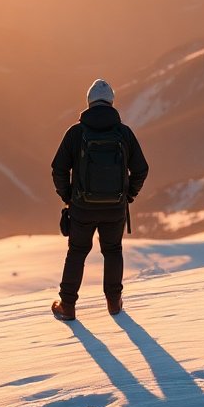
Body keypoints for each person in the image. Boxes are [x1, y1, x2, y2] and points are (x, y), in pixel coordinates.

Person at [50, 79, 149, 321]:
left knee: (77, 252)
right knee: (113, 251)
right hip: (115, 207)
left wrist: (69, 197)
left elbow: (58, 169)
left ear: (88, 102)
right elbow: (141, 169)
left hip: (82, 207)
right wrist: (128, 196)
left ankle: (68, 305)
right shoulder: (124, 133)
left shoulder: (75, 133)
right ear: (112, 102)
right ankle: (114, 303)